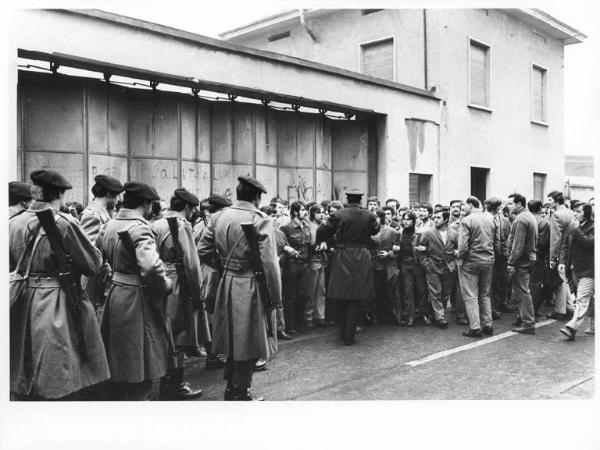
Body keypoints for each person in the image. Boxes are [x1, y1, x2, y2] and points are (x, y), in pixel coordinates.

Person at [9, 169, 109, 400]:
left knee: (23, 366)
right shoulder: (63, 223)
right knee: (60, 372)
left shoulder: (13, 223)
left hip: (21, 299)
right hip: (57, 300)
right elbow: (92, 265)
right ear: (60, 194)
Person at [199, 176, 281, 400]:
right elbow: (270, 263)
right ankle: (241, 391)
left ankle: (232, 386)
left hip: (227, 281)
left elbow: (203, 249)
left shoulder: (218, 216)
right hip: (250, 283)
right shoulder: (260, 219)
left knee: (235, 339)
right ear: (256, 197)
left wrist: (224, 263)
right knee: (249, 340)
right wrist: (275, 296)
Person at [97, 182, 173, 400]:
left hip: (115, 294)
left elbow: (98, 260)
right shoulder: (139, 228)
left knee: (120, 362)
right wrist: (165, 285)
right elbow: (150, 267)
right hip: (138, 297)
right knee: (143, 365)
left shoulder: (110, 224)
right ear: (147, 204)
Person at [151, 188, 205, 400]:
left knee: (164, 332)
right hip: (178, 282)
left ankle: (166, 379)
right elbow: (191, 264)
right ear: (188, 207)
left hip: (159, 279)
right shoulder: (182, 226)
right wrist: (197, 293)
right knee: (179, 334)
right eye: (192, 209)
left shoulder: (156, 223)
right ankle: (174, 383)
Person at [321, 189, 379, 345]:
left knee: (342, 295)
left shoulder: (339, 214)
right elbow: (376, 230)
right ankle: (350, 334)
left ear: (347, 199)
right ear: (360, 200)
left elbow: (323, 229)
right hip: (361, 256)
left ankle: (342, 332)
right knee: (357, 297)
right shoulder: (369, 215)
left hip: (343, 254)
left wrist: (331, 242)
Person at [196, 194, 233, 368]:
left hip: (211, 272)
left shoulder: (209, 223)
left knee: (213, 313)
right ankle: (212, 356)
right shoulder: (207, 225)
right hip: (211, 273)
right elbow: (201, 250)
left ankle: (214, 354)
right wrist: (218, 258)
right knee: (211, 313)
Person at [80, 174, 124, 309]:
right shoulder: (92, 215)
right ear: (110, 194)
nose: (117, 201)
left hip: (100, 280)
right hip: (94, 282)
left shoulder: (102, 214)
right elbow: (91, 253)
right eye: (117, 197)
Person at [457, 196, 497, 338]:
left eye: (464, 206)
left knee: (470, 295)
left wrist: (460, 257)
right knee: (485, 293)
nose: (463, 209)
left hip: (471, 261)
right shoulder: (491, 218)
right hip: (488, 260)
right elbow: (496, 241)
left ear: (471, 205)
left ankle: (475, 327)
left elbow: (463, 245)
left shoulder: (467, 220)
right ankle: (488, 323)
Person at [417, 207, 458, 328]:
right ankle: (440, 318)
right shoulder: (428, 233)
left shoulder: (454, 233)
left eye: (438, 217)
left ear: (446, 219)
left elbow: (459, 248)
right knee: (436, 292)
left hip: (449, 267)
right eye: (434, 217)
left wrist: (455, 259)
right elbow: (421, 250)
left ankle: (436, 314)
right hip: (433, 267)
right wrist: (426, 265)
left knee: (445, 293)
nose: (435, 219)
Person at [559, 203, 594, 340]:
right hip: (574, 269)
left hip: (589, 270)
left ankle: (572, 327)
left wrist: (577, 230)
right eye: (575, 211)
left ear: (586, 213)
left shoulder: (593, 227)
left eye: (579, 211)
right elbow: (565, 244)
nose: (575, 214)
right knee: (589, 299)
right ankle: (594, 325)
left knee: (582, 298)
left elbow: (589, 244)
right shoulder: (574, 226)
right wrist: (562, 262)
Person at [506, 193, 538, 334]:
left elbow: (517, 245)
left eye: (510, 203)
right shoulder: (529, 216)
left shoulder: (520, 219)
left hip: (521, 261)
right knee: (522, 290)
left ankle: (528, 323)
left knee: (523, 291)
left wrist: (511, 262)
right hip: (529, 259)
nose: (508, 206)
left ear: (519, 204)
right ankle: (522, 318)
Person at [280, 201, 313, 332]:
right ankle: (290, 326)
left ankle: (299, 323)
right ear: (295, 212)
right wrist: (287, 248)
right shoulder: (286, 228)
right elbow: (282, 244)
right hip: (292, 265)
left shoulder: (306, 226)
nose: (305, 212)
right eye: (303, 210)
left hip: (305, 265)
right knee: (290, 296)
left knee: (303, 295)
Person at [546, 190, 575, 320]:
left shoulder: (556, 215)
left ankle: (560, 310)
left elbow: (555, 239)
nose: (548, 202)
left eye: (550, 200)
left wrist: (553, 258)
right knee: (564, 279)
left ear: (556, 201)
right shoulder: (570, 212)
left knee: (559, 281)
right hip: (571, 250)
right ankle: (569, 308)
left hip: (561, 252)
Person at [371, 207, 401, 324]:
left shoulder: (392, 232)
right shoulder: (369, 232)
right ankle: (375, 315)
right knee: (374, 292)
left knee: (391, 292)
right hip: (374, 265)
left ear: (382, 218)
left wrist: (388, 254)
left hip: (388, 266)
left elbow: (398, 250)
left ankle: (394, 315)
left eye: (376, 217)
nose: (374, 220)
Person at [486, 197, 511, 317]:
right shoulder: (486, 219)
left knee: (504, 280)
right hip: (491, 255)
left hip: (503, 255)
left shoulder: (505, 220)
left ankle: (503, 302)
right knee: (491, 282)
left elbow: (507, 238)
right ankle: (492, 308)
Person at [397, 210, 422, 327]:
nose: (406, 222)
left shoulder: (419, 233)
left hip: (417, 263)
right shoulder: (399, 233)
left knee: (421, 290)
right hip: (405, 263)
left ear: (413, 221)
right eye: (404, 219)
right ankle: (410, 316)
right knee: (408, 291)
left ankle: (423, 314)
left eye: (408, 219)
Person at [306, 203, 329, 326]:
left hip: (322, 260)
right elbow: (312, 245)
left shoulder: (322, 226)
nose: (321, 215)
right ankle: (309, 316)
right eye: (318, 212)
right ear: (313, 213)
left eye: (322, 212)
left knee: (321, 290)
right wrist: (321, 246)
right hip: (313, 260)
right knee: (311, 289)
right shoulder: (310, 226)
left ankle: (320, 316)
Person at [528, 199, 551, 314]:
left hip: (526, 256)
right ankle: (531, 311)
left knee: (524, 285)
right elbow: (543, 244)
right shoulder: (544, 223)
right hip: (539, 256)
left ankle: (523, 313)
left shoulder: (525, 221)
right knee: (535, 284)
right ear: (540, 208)